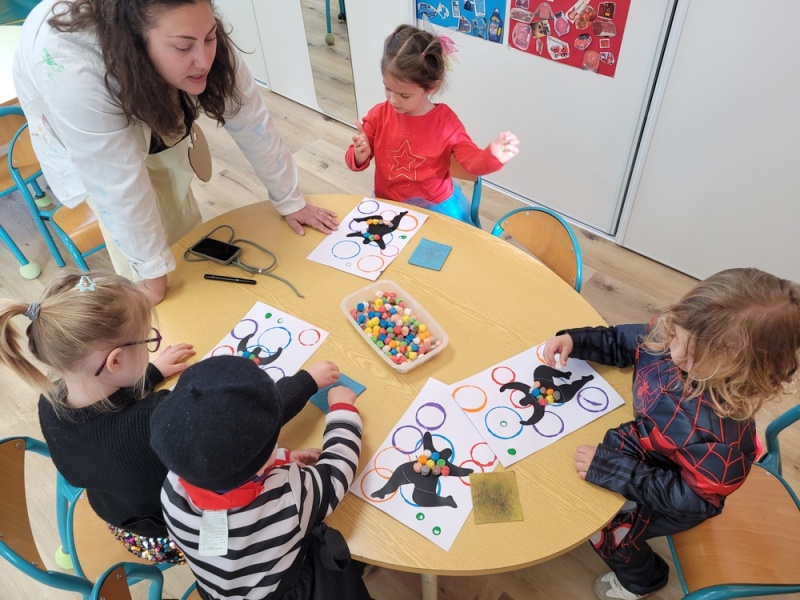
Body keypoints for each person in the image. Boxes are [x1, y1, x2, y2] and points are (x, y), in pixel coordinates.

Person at [0, 271, 341, 565]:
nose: (150, 348)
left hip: (118, 515)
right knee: (288, 508)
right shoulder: (154, 418)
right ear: (115, 361)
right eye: (146, 342)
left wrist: (149, 373)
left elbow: (110, 413)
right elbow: (241, 422)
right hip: (172, 534)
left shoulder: (51, 401)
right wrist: (305, 382)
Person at [13, 0, 339, 305]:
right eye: (183, 47)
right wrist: (151, 274)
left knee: (176, 204)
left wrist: (290, 199)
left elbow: (250, 118)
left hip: (142, 92)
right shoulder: (74, 68)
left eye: (210, 38)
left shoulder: (191, 25)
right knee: (144, 262)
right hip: (86, 118)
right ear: (136, 40)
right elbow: (117, 185)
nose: (204, 60)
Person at [542, 267, 800, 600]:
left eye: (694, 356)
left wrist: (617, 472)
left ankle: (644, 581)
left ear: (745, 370)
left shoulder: (724, 443)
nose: (673, 354)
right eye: (677, 336)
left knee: (611, 535)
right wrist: (577, 341)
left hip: (676, 493)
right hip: (649, 448)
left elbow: (693, 502)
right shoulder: (670, 336)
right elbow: (622, 342)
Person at [150, 355, 370, 600]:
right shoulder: (289, 497)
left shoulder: (171, 488)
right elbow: (337, 472)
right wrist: (343, 412)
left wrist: (280, 458)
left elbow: (228, 471)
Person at [344, 24, 519, 226]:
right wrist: (359, 155)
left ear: (431, 87)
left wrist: (493, 156)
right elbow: (352, 161)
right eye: (387, 89)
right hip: (389, 206)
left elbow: (472, 163)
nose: (393, 100)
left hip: (435, 210)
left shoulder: (446, 123)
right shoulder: (379, 114)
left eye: (404, 95)